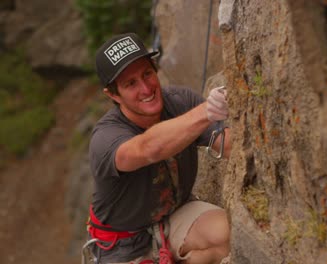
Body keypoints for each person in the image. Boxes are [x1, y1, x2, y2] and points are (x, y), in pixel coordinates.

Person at [85, 32, 231, 264]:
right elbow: (148, 149)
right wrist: (205, 112)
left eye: (147, 74)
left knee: (230, 235)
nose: (146, 88)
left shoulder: (180, 101)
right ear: (113, 94)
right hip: (123, 247)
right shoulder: (106, 138)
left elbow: (228, 143)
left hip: (176, 215)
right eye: (130, 83)